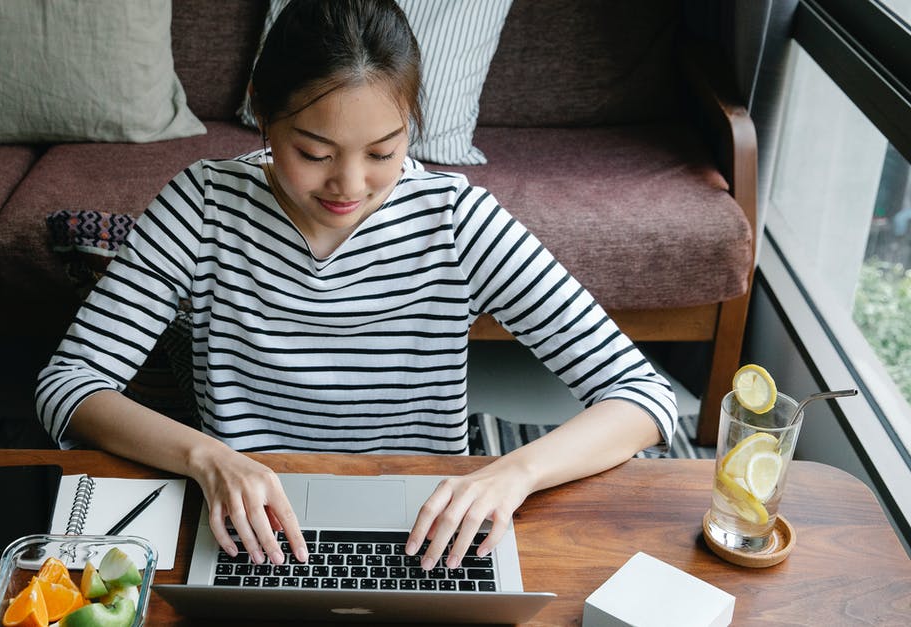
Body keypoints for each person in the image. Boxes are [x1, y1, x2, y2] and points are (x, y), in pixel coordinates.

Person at [37, 0, 675, 574]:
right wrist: (210, 459)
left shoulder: (456, 219)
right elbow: (68, 386)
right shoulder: (202, 205)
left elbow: (644, 397)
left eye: (383, 152)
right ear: (264, 111)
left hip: (428, 529)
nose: (349, 185)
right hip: (249, 524)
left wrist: (514, 472)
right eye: (314, 152)